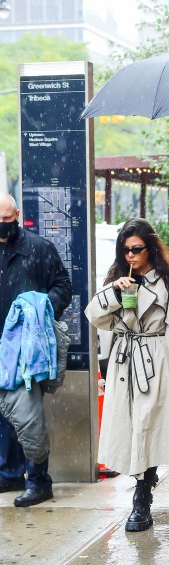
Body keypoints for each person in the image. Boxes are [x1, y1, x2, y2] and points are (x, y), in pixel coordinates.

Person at [85, 218, 169, 532]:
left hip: (155, 365)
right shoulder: (119, 280)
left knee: (147, 427)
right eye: (125, 251)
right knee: (129, 430)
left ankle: (142, 497)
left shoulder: (167, 285)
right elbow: (95, 317)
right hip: (124, 365)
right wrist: (114, 293)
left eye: (136, 249)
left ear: (150, 248)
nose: (131, 256)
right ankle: (144, 482)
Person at [0, 192, 72, 506]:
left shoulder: (38, 248)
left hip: (25, 350)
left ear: (17, 214)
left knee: (27, 416)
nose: (2, 225)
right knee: (5, 416)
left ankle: (40, 480)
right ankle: (9, 474)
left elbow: (63, 287)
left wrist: (40, 308)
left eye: (6, 219)